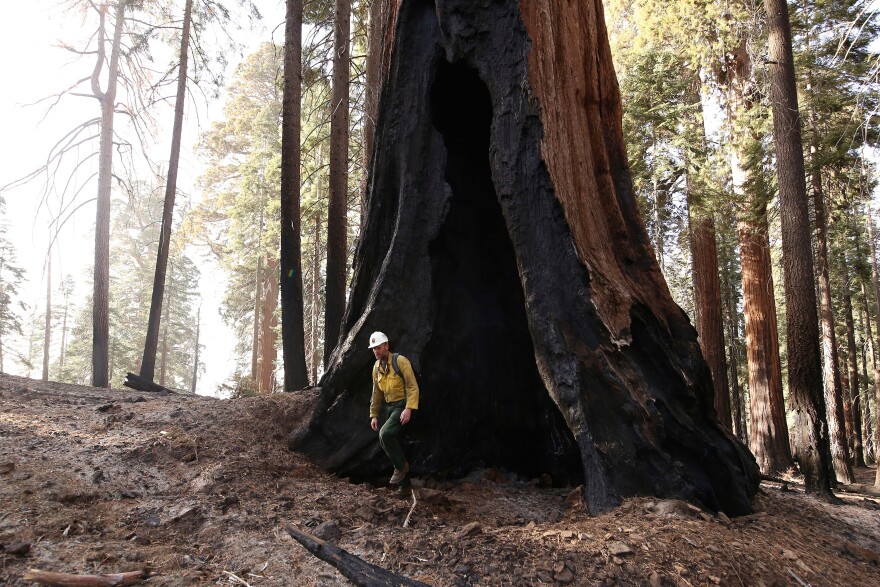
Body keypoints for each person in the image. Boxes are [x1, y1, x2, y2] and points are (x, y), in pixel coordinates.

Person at [368, 331, 419, 484]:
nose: (376, 350)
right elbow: (376, 393)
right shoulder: (376, 368)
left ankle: (401, 467)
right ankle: (404, 485)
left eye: (378, 347)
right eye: (373, 348)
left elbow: (412, 386)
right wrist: (374, 414)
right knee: (386, 441)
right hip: (389, 408)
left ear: (386, 346)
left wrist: (409, 408)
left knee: (385, 434)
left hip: (403, 406)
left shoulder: (400, 361)